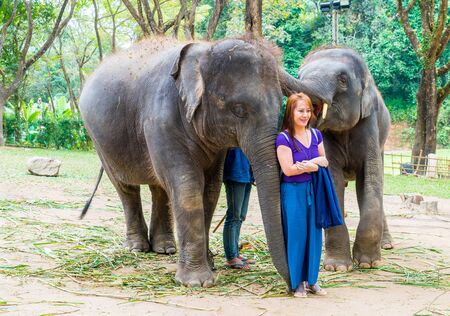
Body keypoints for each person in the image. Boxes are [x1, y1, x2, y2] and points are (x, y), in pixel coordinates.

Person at [276, 93, 329, 297]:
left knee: (314, 235)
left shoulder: (316, 135)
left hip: (312, 190)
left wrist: (310, 165)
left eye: (308, 111)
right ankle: (297, 282)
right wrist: (313, 165)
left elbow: (325, 160)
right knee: (297, 235)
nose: (305, 115)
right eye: (300, 111)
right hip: (293, 192)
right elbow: (288, 170)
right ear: (291, 112)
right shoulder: (284, 138)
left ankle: (312, 280)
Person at [222, 147, 255, 270]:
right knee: (234, 216)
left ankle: (235, 253)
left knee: (241, 216)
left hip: (246, 175)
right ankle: (231, 257)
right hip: (235, 175)